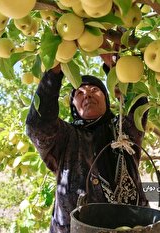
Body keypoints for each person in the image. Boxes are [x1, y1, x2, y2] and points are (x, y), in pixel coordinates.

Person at [26, 47, 149, 233]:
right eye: (80, 93)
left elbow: (138, 106)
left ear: (107, 100)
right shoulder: (64, 136)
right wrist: (53, 73)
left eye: (95, 90)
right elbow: (38, 126)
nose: (88, 94)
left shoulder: (123, 129)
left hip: (133, 226)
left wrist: (116, 69)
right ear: (73, 105)